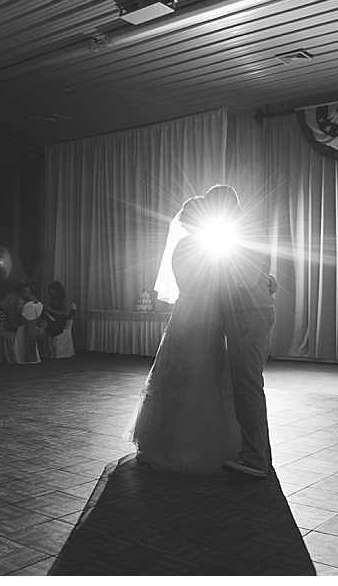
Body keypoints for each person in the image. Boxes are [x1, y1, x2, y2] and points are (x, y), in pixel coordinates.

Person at [125, 196, 242, 474]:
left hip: (186, 311)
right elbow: (222, 282)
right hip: (208, 312)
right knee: (205, 373)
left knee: (178, 373)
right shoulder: (209, 248)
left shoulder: (181, 247)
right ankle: (201, 443)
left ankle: (166, 440)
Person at [204, 184, 277, 478]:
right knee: (247, 385)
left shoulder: (244, 230)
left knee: (248, 387)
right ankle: (259, 455)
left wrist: (213, 265)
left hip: (249, 316)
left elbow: (245, 278)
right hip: (248, 314)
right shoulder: (244, 230)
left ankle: (256, 460)